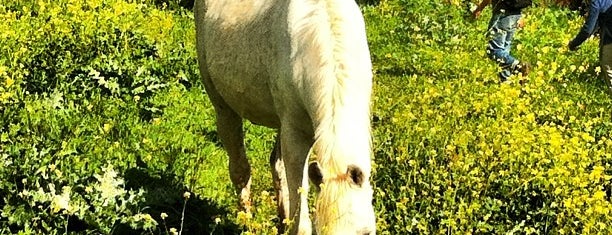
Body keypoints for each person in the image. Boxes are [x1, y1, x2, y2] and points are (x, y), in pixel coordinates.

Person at [473, 0, 532, 83]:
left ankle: (518, 66)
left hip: (502, 14)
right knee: (504, 51)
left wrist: (479, 9)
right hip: (516, 15)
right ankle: (505, 81)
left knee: (493, 50)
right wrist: (521, 16)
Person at [568, 0, 612, 95]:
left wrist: (573, 44)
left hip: (609, 42)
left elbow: (587, 30)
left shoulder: (597, 2)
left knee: (609, 71)